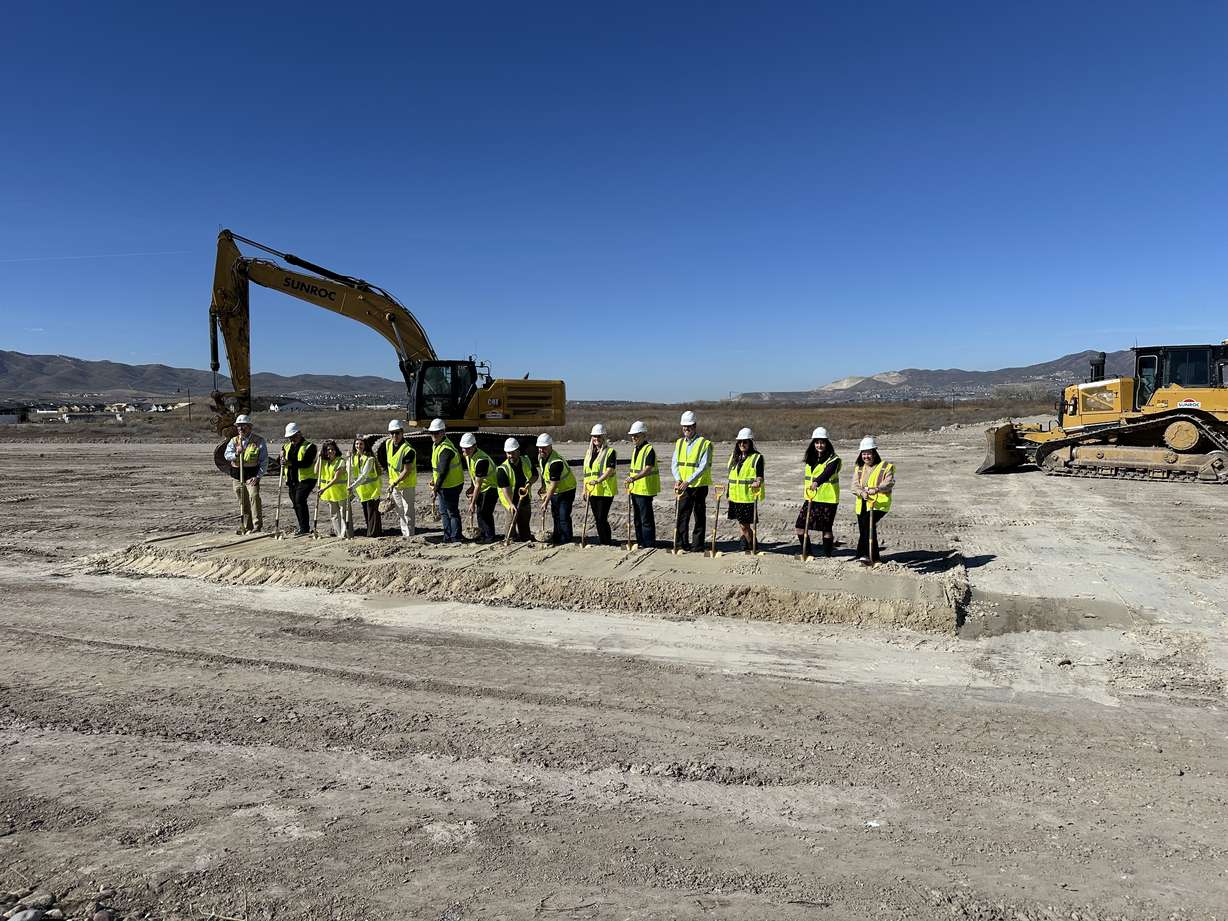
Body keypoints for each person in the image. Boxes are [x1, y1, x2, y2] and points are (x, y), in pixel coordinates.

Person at [796, 426, 841, 557]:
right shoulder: (811, 458)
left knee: (826, 529)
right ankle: (807, 552)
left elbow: (828, 473)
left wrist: (817, 482)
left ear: (827, 443)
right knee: (800, 526)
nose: (819, 445)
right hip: (812, 498)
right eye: (817, 442)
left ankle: (827, 554)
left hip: (828, 499)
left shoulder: (834, 459)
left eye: (822, 442)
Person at [671, 410, 712, 551]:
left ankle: (697, 545)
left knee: (699, 515)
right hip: (683, 485)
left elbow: (703, 466)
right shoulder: (679, 443)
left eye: (689, 426)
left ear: (694, 426)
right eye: (684, 426)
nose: (686, 429)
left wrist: (688, 480)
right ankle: (681, 543)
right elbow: (674, 463)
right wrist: (678, 479)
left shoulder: (704, 443)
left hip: (699, 485)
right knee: (682, 515)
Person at [851, 436, 895, 565]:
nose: (866, 456)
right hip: (863, 502)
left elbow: (889, 483)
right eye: (864, 453)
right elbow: (854, 486)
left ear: (874, 453)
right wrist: (862, 492)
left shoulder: (886, 467)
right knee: (864, 528)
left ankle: (869, 556)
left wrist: (876, 489)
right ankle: (865, 555)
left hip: (879, 503)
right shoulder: (859, 468)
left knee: (868, 525)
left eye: (869, 453)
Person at [224, 413, 267, 534]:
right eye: (239, 426)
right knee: (242, 501)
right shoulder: (234, 441)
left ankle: (257, 526)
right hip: (237, 475)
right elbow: (227, 455)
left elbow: (264, 461)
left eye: (243, 426)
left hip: (252, 475)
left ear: (250, 427)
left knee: (254, 497)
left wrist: (258, 476)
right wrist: (236, 454)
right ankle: (246, 526)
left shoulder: (259, 441)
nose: (241, 429)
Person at [726, 427, 765, 553]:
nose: (742, 444)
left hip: (747, 497)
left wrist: (758, 482)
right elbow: (731, 476)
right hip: (734, 496)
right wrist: (728, 493)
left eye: (745, 442)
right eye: (740, 442)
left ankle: (753, 545)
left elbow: (760, 475)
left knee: (744, 525)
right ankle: (745, 545)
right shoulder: (734, 457)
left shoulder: (757, 457)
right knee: (740, 523)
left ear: (750, 443)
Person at [536, 433, 577, 545]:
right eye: (539, 447)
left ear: (550, 446)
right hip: (556, 490)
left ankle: (567, 539)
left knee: (563, 515)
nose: (541, 450)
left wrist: (546, 501)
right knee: (556, 514)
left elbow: (554, 484)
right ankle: (557, 536)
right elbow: (544, 475)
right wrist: (543, 488)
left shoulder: (556, 462)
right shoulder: (541, 458)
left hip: (566, 489)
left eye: (544, 447)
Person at [428, 418, 464, 543]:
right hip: (445, 485)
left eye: (436, 433)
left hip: (452, 485)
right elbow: (437, 468)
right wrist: (434, 479)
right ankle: (447, 536)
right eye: (432, 433)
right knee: (444, 512)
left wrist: (436, 489)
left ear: (443, 432)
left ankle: (455, 537)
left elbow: (443, 472)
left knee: (451, 512)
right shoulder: (436, 445)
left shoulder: (446, 449)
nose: (433, 435)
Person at [625, 420, 658, 548]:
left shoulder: (649, 449)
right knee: (637, 519)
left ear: (643, 435)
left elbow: (648, 468)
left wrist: (633, 478)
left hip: (645, 490)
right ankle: (640, 541)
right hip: (635, 489)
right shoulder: (636, 449)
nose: (633, 438)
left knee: (646, 520)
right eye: (632, 436)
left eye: (636, 435)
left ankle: (649, 543)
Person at [582, 424, 618, 545]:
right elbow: (586, 474)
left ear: (603, 437)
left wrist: (598, 480)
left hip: (605, 490)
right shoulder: (588, 453)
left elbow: (610, 470)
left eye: (598, 436)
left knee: (602, 517)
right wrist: (584, 489)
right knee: (597, 518)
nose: (596, 439)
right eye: (594, 436)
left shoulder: (610, 452)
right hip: (592, 490)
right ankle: (603, 540)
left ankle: (606, 540)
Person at [496, 438, 536, 541]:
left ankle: (525, 538)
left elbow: (535, 475)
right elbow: (505, 489)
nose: (510, 456)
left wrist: (529, 482)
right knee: (511, 522)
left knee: (524, 522)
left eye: (512, 453)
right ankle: (509, 538)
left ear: (518, 451)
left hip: (525, 497)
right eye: (508, 453)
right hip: (510, 499)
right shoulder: (502, 469)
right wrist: (510, 504)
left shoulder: (526, 460)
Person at [461, 433, 498, 543]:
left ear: (474, 446)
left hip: (491, 487)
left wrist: (472, 502)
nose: (465, 451)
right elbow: (474, 477)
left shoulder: (482, 460)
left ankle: (489, 537)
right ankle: (483, 534)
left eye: (467, 448)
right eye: (464, 448)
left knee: (485, 512)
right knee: (480, 512)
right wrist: (471, 487)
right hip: (482, 487)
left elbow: (479, 483)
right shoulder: (468, 455)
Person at [382, 419, 416, 538]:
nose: (394, 436)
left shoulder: (408, 450)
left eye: (397, 433)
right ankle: (404, 534)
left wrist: (394, 482)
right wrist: (392, 482)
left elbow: (407, 470)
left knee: (408, 512)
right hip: (395, 485)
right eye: (392, 433)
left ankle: (410, 536)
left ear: (402, 433)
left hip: (406, 485)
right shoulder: (388, 444)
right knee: (400, 512)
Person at [317, 440, 351, 537]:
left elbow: (336, 478)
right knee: (334, 514)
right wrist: (319, 458)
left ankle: (347, 534)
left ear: (336, 450)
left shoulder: (340, 461)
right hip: (330, 493)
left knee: (344, 514)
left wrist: (323, 489)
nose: (331, 451)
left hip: (340, 492)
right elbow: (316, 471)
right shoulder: (324, 462)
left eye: (332, 449)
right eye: (328, 450)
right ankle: (339, 533)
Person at [349, 436, 381, 537]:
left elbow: (364, 475)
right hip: (362, 491)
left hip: (372, 490)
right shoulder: (354, 458)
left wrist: (352, 487)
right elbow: (349, 469)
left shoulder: (369, 459)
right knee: (367, 513)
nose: (359, 446)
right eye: (357, 444)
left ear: (365, 445)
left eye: (361, 444)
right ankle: (371, 532)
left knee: (373, 513)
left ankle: (374, 534)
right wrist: (349, 458)